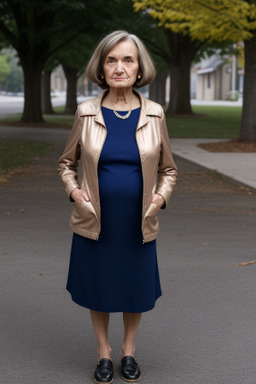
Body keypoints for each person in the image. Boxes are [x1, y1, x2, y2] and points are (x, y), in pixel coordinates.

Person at [58, 30, 178, 384]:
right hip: (96, 220)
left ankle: (128, 351)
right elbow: (66, 163)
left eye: (128, 59)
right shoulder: (86, 112)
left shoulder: (155, 114)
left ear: (140, 68)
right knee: (100, 285)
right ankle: (103, 354)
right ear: (102, 67)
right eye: (112, 60)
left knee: (133, 287)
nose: (120, 67)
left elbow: (168, 169)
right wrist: (74, 190)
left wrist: (160, 197)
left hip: (137, 220)